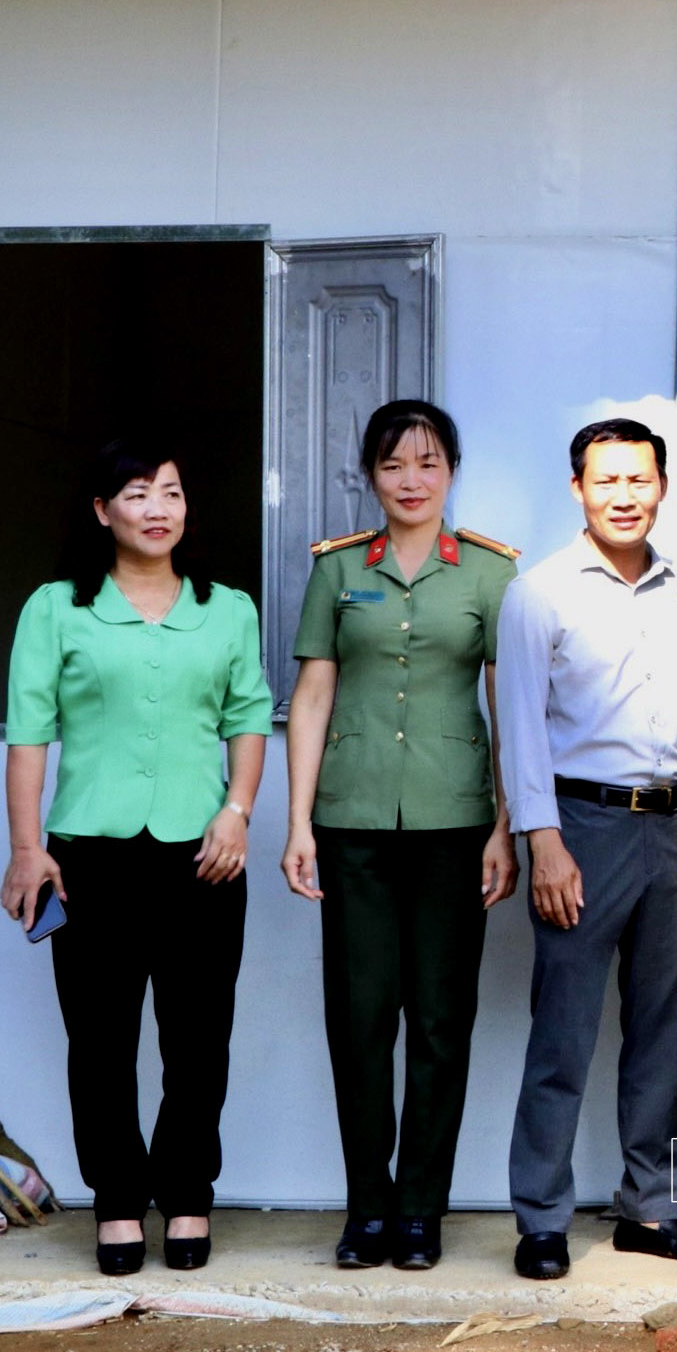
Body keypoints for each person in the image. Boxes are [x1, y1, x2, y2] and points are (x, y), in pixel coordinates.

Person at [0, 440, 271, 1275]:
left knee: (199, 1042)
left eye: (172, 493)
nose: (158, 508)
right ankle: (117, 1203)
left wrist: (237, 812)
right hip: (89, 860)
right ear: (101, 511)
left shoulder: (226, 607)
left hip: (204, 860)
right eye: (137, 493)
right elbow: (28, 736)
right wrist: (26, 849)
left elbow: (249, 716)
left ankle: (188, 1195)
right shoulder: (55, 608)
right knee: (102, 1043)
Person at [281, 399, 520, 1270]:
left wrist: (506, 823)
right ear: (370, 477)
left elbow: (509, 705)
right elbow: (311, 697)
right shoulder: (340, 570)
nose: (411, 480)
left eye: (426, 462)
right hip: (351, 821)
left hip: (457, 823)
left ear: (451, 468)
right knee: (359, 1017)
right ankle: (367, 1206)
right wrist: (298, 820)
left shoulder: (490, 573)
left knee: (441, 1019)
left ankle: (422, 1207)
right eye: (393, 465)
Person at [498, 418, 677, 1281]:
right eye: (606, 480)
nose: (624, 495)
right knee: (562, 1032)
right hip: (582, 828)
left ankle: (650, 1207)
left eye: (639, 479)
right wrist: (542, 840)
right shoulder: (541, 592)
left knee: (665, 1027)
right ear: (577, 490)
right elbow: (518, 723)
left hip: (676, 825)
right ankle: (542, 1217)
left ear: (662, 487)